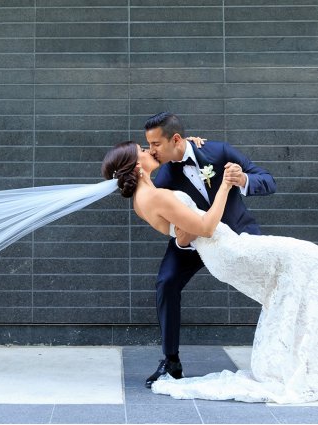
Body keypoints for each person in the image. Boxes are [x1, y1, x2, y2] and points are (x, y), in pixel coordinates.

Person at [101, 140, 318, 403]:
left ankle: (297, 356)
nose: (150, 150)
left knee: (299, 268)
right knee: (307, 256)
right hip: (228, 249)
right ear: (138, 166)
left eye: (152, 145)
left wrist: (184, 233)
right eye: (144, 150)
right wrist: (225, 186)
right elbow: (203, 228)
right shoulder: (157, 194)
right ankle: (297, 361)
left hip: (225, 247)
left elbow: (183, 230)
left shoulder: (142, 200)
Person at [138, 112, 276, 389]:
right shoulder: (162, 177)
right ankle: (171, 360)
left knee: (272, 280)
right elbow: (173, 225)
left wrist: (243, 181)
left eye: (155, 144)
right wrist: (182, 241)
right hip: (193, 240)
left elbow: (268, 180)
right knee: (166, 282)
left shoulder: (218, 151)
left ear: (176, 139)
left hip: (237, 232)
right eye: (148, 146)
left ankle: (278, 350)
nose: (151, 150)